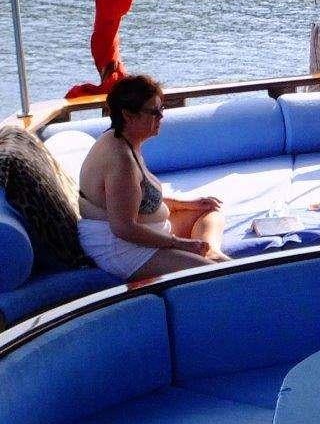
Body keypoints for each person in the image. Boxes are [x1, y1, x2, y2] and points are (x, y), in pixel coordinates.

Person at [77, 74, 227, 280]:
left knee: (210, 213)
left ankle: (212, 252)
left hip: (144, 233)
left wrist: (186, 204)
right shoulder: (121, 160)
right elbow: (124, 228)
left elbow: (135, 200)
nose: (161, 117)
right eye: (154, 112)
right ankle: (209, 260)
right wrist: (179, 243)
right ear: (129, 115)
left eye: (162, 110)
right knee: (213, 276)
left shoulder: (125, 140)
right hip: (122, 247)